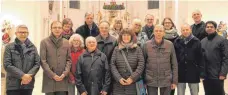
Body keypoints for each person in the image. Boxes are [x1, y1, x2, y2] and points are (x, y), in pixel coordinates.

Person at [3, 25, 40, 95]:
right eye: (20, 32)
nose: (23, 34)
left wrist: (28, 76)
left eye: (25, 32)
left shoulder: (33, 47)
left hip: (28, 85)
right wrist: (22, 75)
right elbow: (7, 65)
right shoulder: (9, 47)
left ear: (28, 33)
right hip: (12, 85)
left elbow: (37, 64)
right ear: (16, 33)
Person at [143, 25, 178, 95]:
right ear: (153, 32)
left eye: (160, 31)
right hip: (150, 79)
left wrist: (174, 81)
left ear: (164, 33)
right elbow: (143, 64)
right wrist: (144, 81)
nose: (158, 33)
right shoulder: (146, 45)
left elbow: (174, 63)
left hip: (166, 78)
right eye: (156, 31)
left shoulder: (170, 44)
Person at [40, 21, 72, 95]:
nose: (57, 29)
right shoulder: (44, 42)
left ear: (62, 29)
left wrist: (64, 73)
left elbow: (69, 60)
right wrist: (53, 75)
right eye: (55, 27)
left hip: (62, 78)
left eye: (59, 27)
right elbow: (43, 61)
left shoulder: (66, 42)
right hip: (49, 78)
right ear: (51, 29)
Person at [111, 28, 145, 95]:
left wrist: (132, 78)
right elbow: (112, 64)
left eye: (128, 35)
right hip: (118, 85)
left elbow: (141, 65)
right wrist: (119, 78)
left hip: (133, 84)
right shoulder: (116, 49)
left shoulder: (137, 49)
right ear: (121, 37)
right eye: (124, 35)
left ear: (132, 37)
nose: (126, 37)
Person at [174, 24, 204, 95]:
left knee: (194, 92)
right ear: (181, 31)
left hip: (193, 71)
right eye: (183, 30)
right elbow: (175, 57)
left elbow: (200, 57)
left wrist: (201, 72)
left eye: (187, 29)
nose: (185, 31)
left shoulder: (197, 41)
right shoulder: (177, 41)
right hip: (180, 71)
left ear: (190, 30)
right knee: (180, 93)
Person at [201, 21, 228, 95]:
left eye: (211, 27)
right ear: (205, 28)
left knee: (218, 93)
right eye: (207, 27)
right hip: (206, 75)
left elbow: (226, 58)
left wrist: (223, 73)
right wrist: (201, 73)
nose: (209, 28)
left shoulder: (222, 40)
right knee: (208, 92)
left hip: (217, 74)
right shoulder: (203, 41)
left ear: (215, 28)